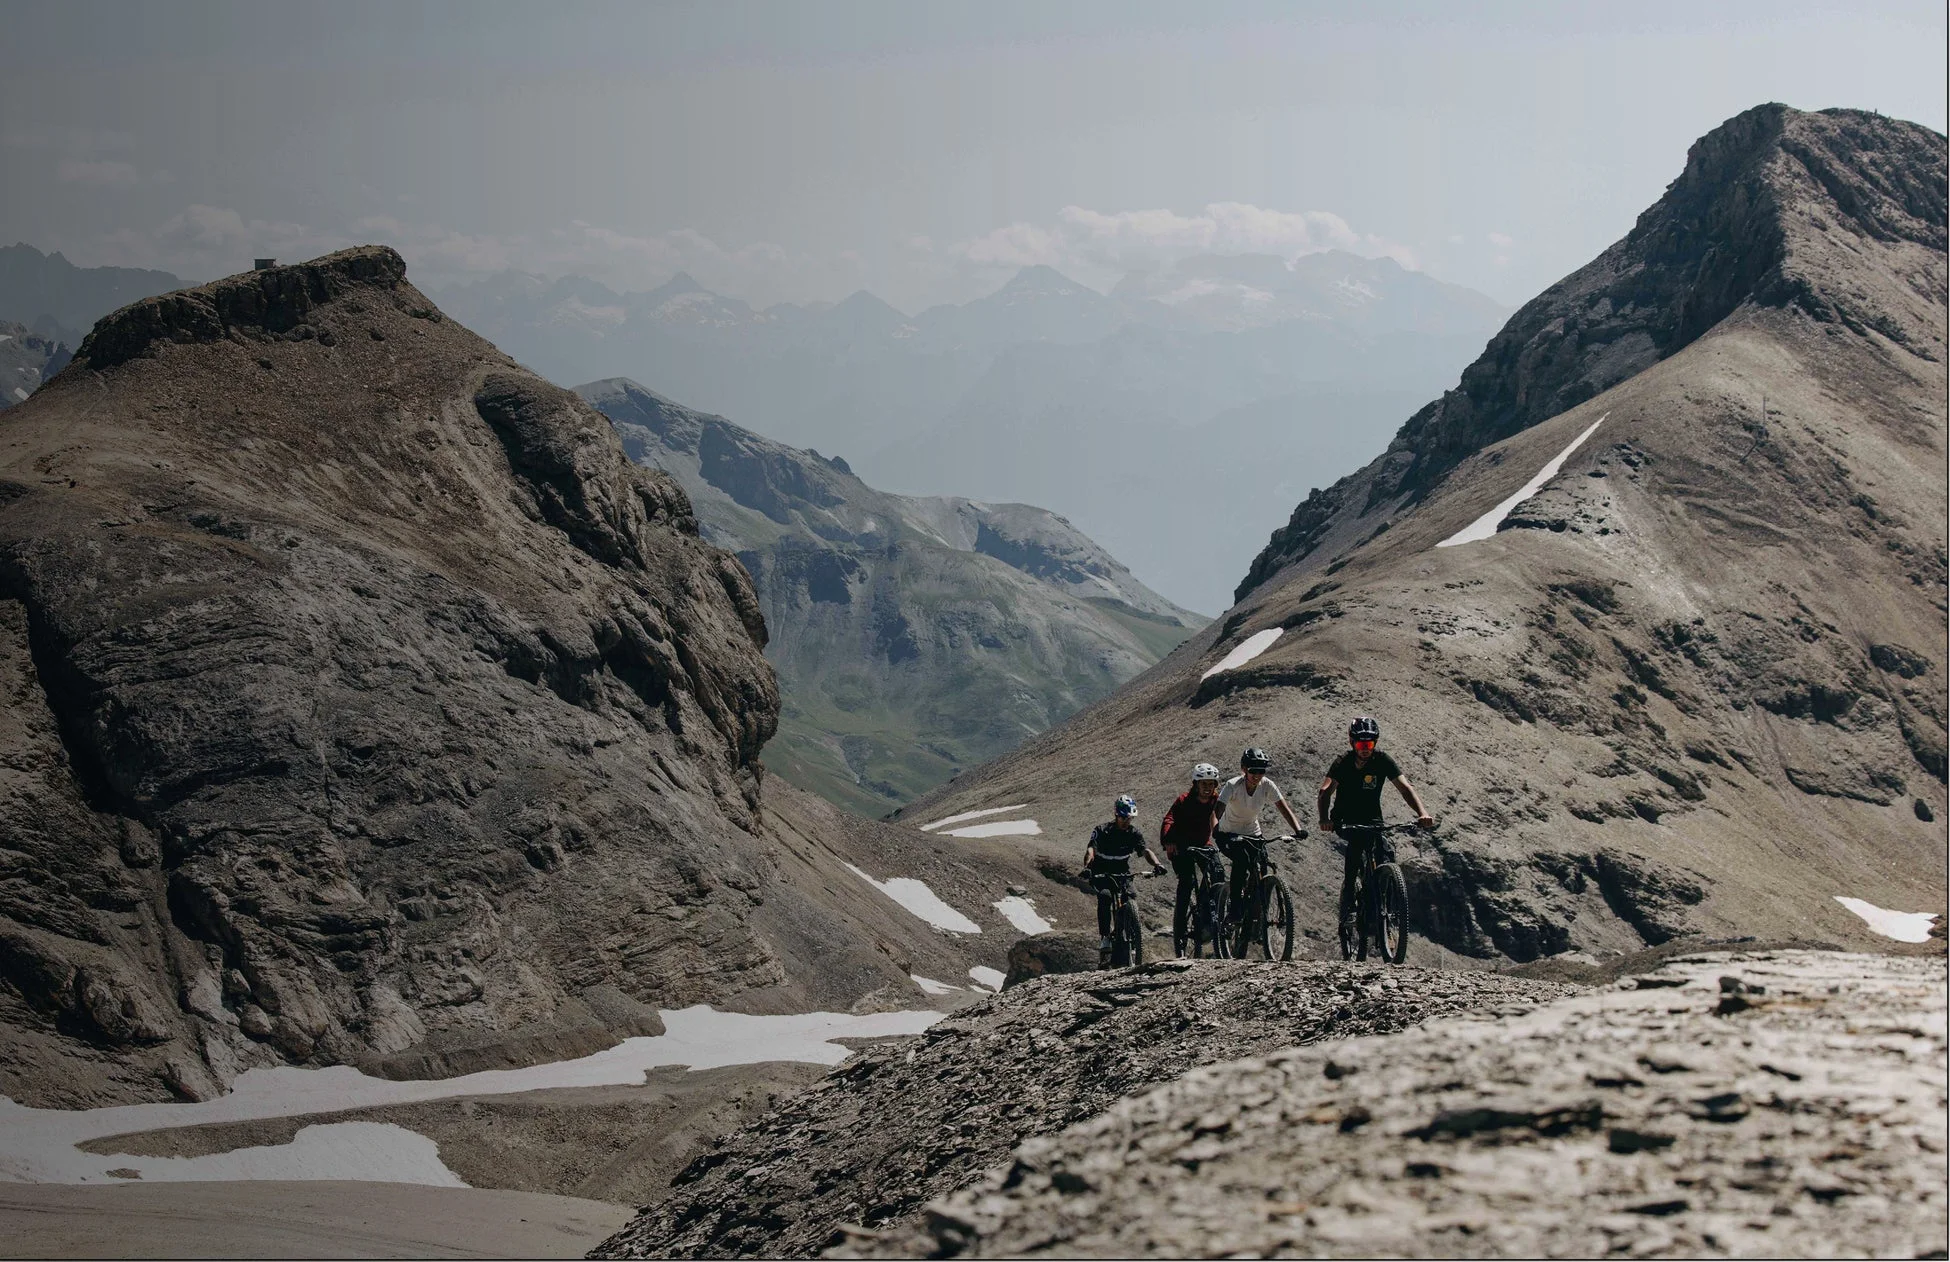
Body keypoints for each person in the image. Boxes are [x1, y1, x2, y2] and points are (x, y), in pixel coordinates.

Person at [1316, 716, 1435, 940]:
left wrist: (1422, 813)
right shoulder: (1342, 762)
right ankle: (1349, 905)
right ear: (1352, 743)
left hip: (1373, 820)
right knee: (1356, 849)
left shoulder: (1382, 761)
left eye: (1369, 744)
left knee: (1386, 854)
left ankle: (1381, 906)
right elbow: (1325, 792)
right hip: (1345, 820)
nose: (1365, 749)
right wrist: (1324, 819)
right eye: (1361, 744)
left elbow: (1405, 788)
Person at [1214, 747, 1306, 916]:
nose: (1257, 775)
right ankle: (1234, 908)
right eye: (1253, 771)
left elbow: (1284, 809)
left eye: (1261, 771)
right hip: (1228, 834)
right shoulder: (1232, 785)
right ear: (1244, 769)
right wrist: (1213, 828)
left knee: (1262, 863)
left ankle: (1255, 911)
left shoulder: (1267, 785)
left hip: (1252, 833)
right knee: (1241, 860)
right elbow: (1217, 811)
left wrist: (1298, 829)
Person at [1079, 795, 1167, 954]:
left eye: (1130, 818)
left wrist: (1157, 864)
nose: (1127, 821)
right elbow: (1091, 850)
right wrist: (1087, 867)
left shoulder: (1134, 833)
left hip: (1122, 873)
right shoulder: (1102, 830)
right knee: (1105, 896)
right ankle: (1105, 936)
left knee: (1130, 897)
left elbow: (1144, 851)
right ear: (1116, 815)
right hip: (1102, 873)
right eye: (1124, 818)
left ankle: (1130, 935)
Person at [1159, 763, 1226, 956]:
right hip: (1182, 846)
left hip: (1203, 844)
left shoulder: (1216, 800)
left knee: (1218, 873)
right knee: (1186, 883)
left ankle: (1207, 908)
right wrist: (1169, 840)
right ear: (1195, 784)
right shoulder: (1183, 801)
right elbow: (1169, 820)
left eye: (1211, 784)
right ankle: (1180, 933)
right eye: (1203, 783)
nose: (1207, 788)